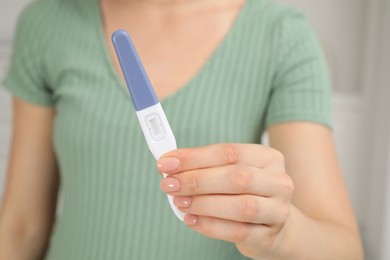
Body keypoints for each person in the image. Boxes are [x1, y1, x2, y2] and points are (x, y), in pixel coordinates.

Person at [0, 0, 364, 259]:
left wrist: (281, 235)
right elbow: (21, 228)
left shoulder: (282, 35)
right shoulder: (48, 23)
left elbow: (344, 250)